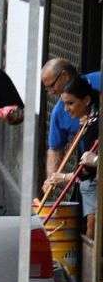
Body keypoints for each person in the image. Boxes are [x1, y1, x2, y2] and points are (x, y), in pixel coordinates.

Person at [45, 77, 100, 235]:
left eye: (70, 103)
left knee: (92, 227)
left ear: (86, 100)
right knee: (90, 226)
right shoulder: (89, 119)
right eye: (64, 104)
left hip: (93, 182)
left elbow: (86, 171)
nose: (66, 109)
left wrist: (63, 177)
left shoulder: (95, 124)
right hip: (90, 183)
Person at [42, 57, 102, 177]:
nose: (50, 92)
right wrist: (50, 178)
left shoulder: (99, 80)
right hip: (90, 176)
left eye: (51, 86)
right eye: (47, 88)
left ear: (64, 75)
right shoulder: (59, 112)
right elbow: (55, 149)